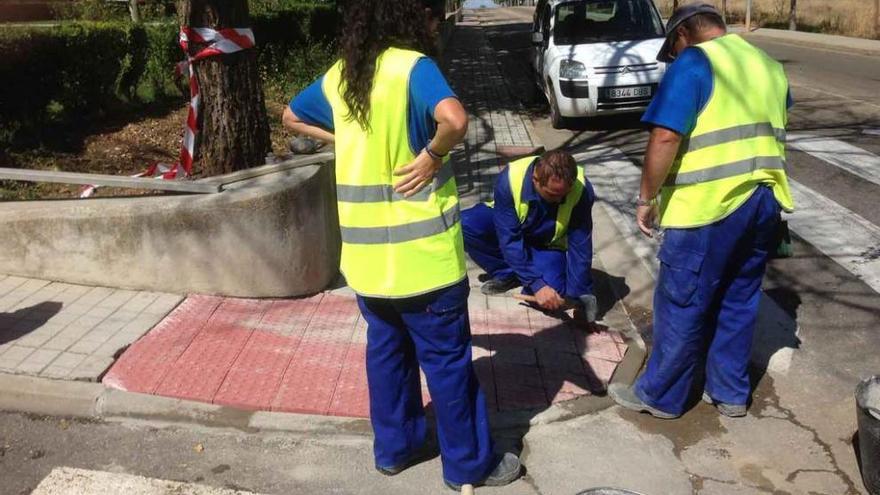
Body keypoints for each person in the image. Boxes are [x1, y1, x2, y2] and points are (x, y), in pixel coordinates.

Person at [282, 0, 522, 490]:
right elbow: (454, 119)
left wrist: (339, 141)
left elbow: (289, 116)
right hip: (424, 265)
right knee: (449, 367)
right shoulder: (413, 68)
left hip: (368, 266)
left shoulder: (340, 77)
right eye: (430, 15)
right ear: (410, 19)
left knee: (387, 359)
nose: (435, 22)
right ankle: (469, 466)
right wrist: (433, 155)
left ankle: (395, 450)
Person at [608, 3, 794, 419]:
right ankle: (729, 392)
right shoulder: (767, 64)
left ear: (682, 35)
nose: (673, 58)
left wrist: (646, 197)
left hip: (707, 208)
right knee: (739, 298)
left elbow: (665, 137)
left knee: (682, 302)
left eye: (671, 50)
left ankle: (661, 396)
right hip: (763, 201)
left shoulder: (694, 62)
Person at [460, 150, 598, 321]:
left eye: (564, 195)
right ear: (535, 180)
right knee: (466, 224)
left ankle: (526, 273)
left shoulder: (582, 190)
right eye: (553, 194)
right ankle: (509, 273)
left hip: (547, 245)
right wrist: (536, 284)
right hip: (512, 228)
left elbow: (581, 245)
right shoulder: (510, 180)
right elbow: (509, 239)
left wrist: (580, 295)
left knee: (554, 296)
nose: (559, 200)